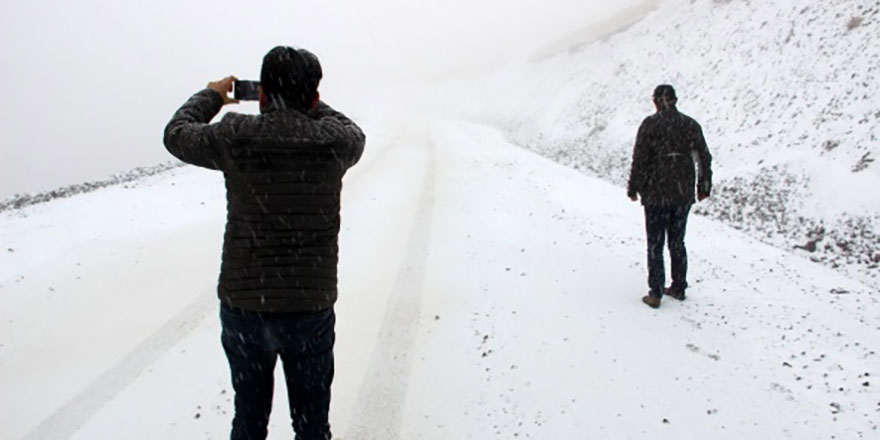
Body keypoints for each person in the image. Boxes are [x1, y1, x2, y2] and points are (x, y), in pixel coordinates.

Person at [163, 46, 365, 439]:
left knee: (249, 420)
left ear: (264, 94)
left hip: (245, 310)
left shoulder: (235, 134)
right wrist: (306, 104)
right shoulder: (334, 143)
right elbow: (351, 128)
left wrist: (213, 95)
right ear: (315, 96)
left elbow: (176, 134)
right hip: (308, 309)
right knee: (311, 426)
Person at [627, 84, 712, 309]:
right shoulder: (690, 125)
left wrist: (633, 187)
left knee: (655, 243)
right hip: (682, 193)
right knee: (677, 241)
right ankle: (679, 287)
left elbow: (640, 159)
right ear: (675, 100)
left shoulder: (650, 125)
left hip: (656, 192)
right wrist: (704, 186)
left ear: (656, 101)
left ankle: (655, 292)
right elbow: (704, 157)